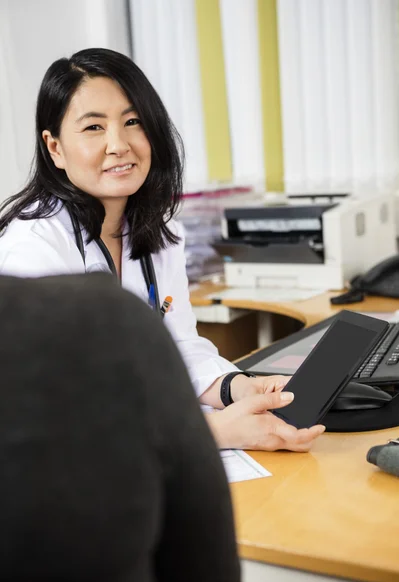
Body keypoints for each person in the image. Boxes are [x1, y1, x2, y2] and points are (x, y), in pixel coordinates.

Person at [0, 47, 325, 452]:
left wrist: (237, 388)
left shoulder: (156, 227)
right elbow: (59, 416)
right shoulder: (33, 252)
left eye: (132, 121)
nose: (118, 144)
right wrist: (214, 433)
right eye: (93, 128)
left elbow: (179, 348)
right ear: (55, 148)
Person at [0, 272, 241, 582]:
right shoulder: (111, 318)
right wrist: (204, 431)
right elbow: (207, 576)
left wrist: (228, 386)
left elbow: (182, 342)